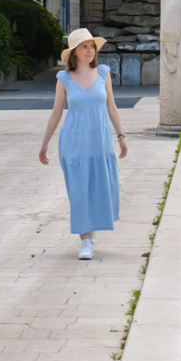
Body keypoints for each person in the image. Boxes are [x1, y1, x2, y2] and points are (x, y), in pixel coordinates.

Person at [39, 28, 128, 259]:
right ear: (74, 53)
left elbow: (111, 107)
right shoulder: (64, 79)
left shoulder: (103, 73)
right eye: (84, 47)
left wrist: (121, 137)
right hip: (74, 143)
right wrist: (44, 144)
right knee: (79, 193)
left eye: (92, 46)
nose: (90, 51)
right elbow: (56, 114)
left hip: (100, 142)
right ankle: (86, 241)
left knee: (102, 188)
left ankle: (92, 234)